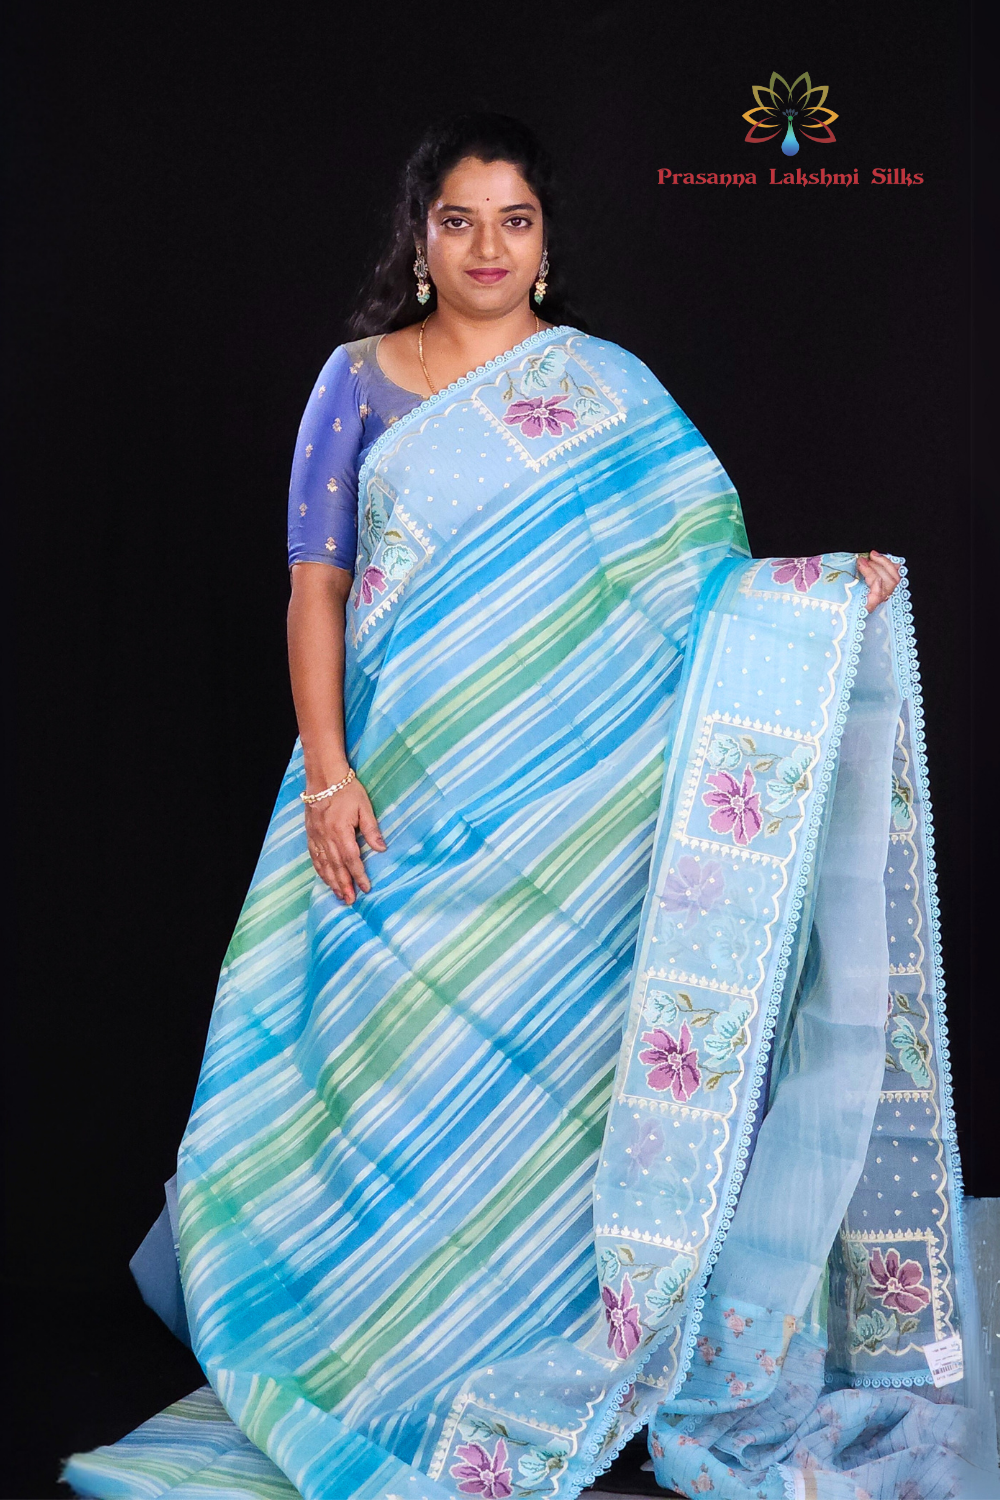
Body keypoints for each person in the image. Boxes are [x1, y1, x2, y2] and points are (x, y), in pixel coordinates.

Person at [66, 114, 997, 1500]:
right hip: (397, 807)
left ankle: (556, 1345)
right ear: (421, 238)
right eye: (459, 220)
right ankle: (382, 1344)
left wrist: (818, 598)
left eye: (515, 219)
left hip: (575, 835)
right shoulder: (355, 385)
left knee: (558, 1100)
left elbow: (698, 585)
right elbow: (316, 588)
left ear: (546, 241)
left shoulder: (608, 391)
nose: (487, 247)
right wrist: (328, 773)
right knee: (380, 1086)